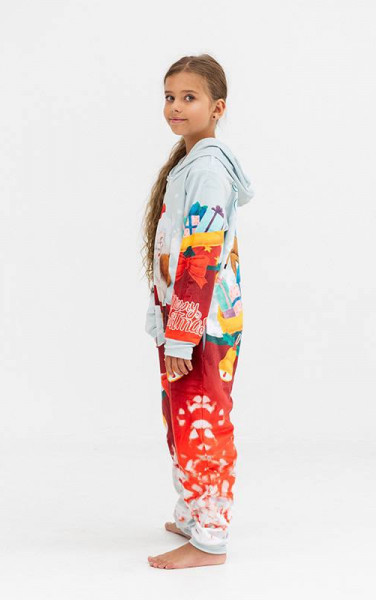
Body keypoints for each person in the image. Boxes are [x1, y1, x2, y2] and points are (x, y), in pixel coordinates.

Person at [141, 54, 254, 569]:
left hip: (201, 324)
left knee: (201, 418)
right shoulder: (189, 163)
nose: (176, 107)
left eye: (189, 97)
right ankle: (193, 512)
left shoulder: (207, 169)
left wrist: (183, 335)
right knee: (180, 415)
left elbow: (200, 257)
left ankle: (210, 539)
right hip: (187, 320)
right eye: (170, 96)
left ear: (217, 108)